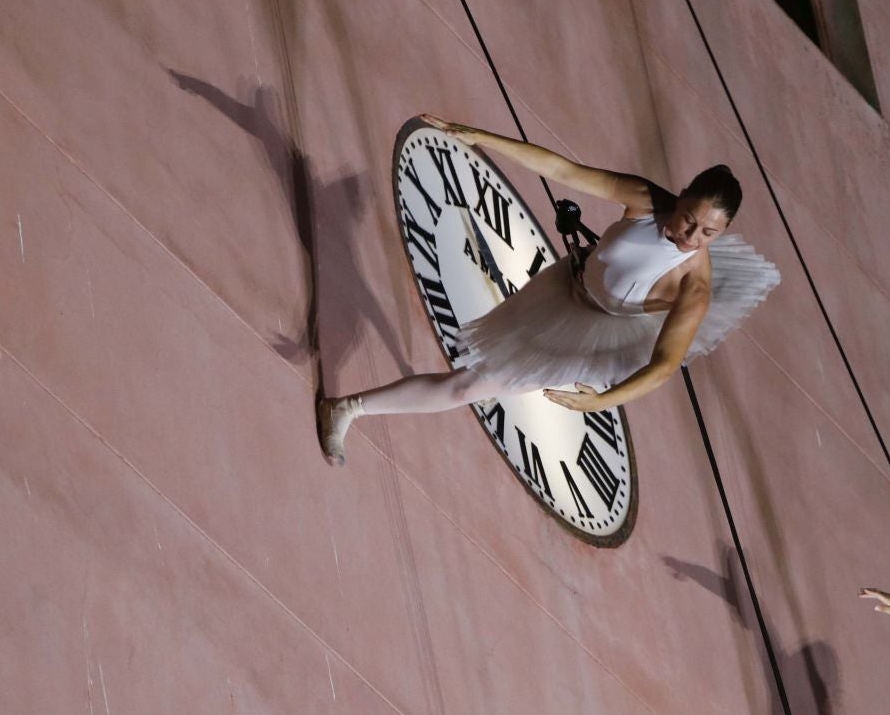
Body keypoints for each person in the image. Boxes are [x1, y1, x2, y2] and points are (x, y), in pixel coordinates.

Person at [317, 118, 778, 464]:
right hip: (563, 284)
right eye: (689, 220)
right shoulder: (645, 199)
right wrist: (481, 138)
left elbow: (662, 366)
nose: (691, 236)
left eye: (708, 234)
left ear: (724, 232)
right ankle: (351, 407)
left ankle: (347, 409)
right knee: (471, 376)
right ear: (679, 197)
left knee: (468, 387)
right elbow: (562, 169)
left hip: (587, 333)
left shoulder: (693, 287)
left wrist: (601, 401)